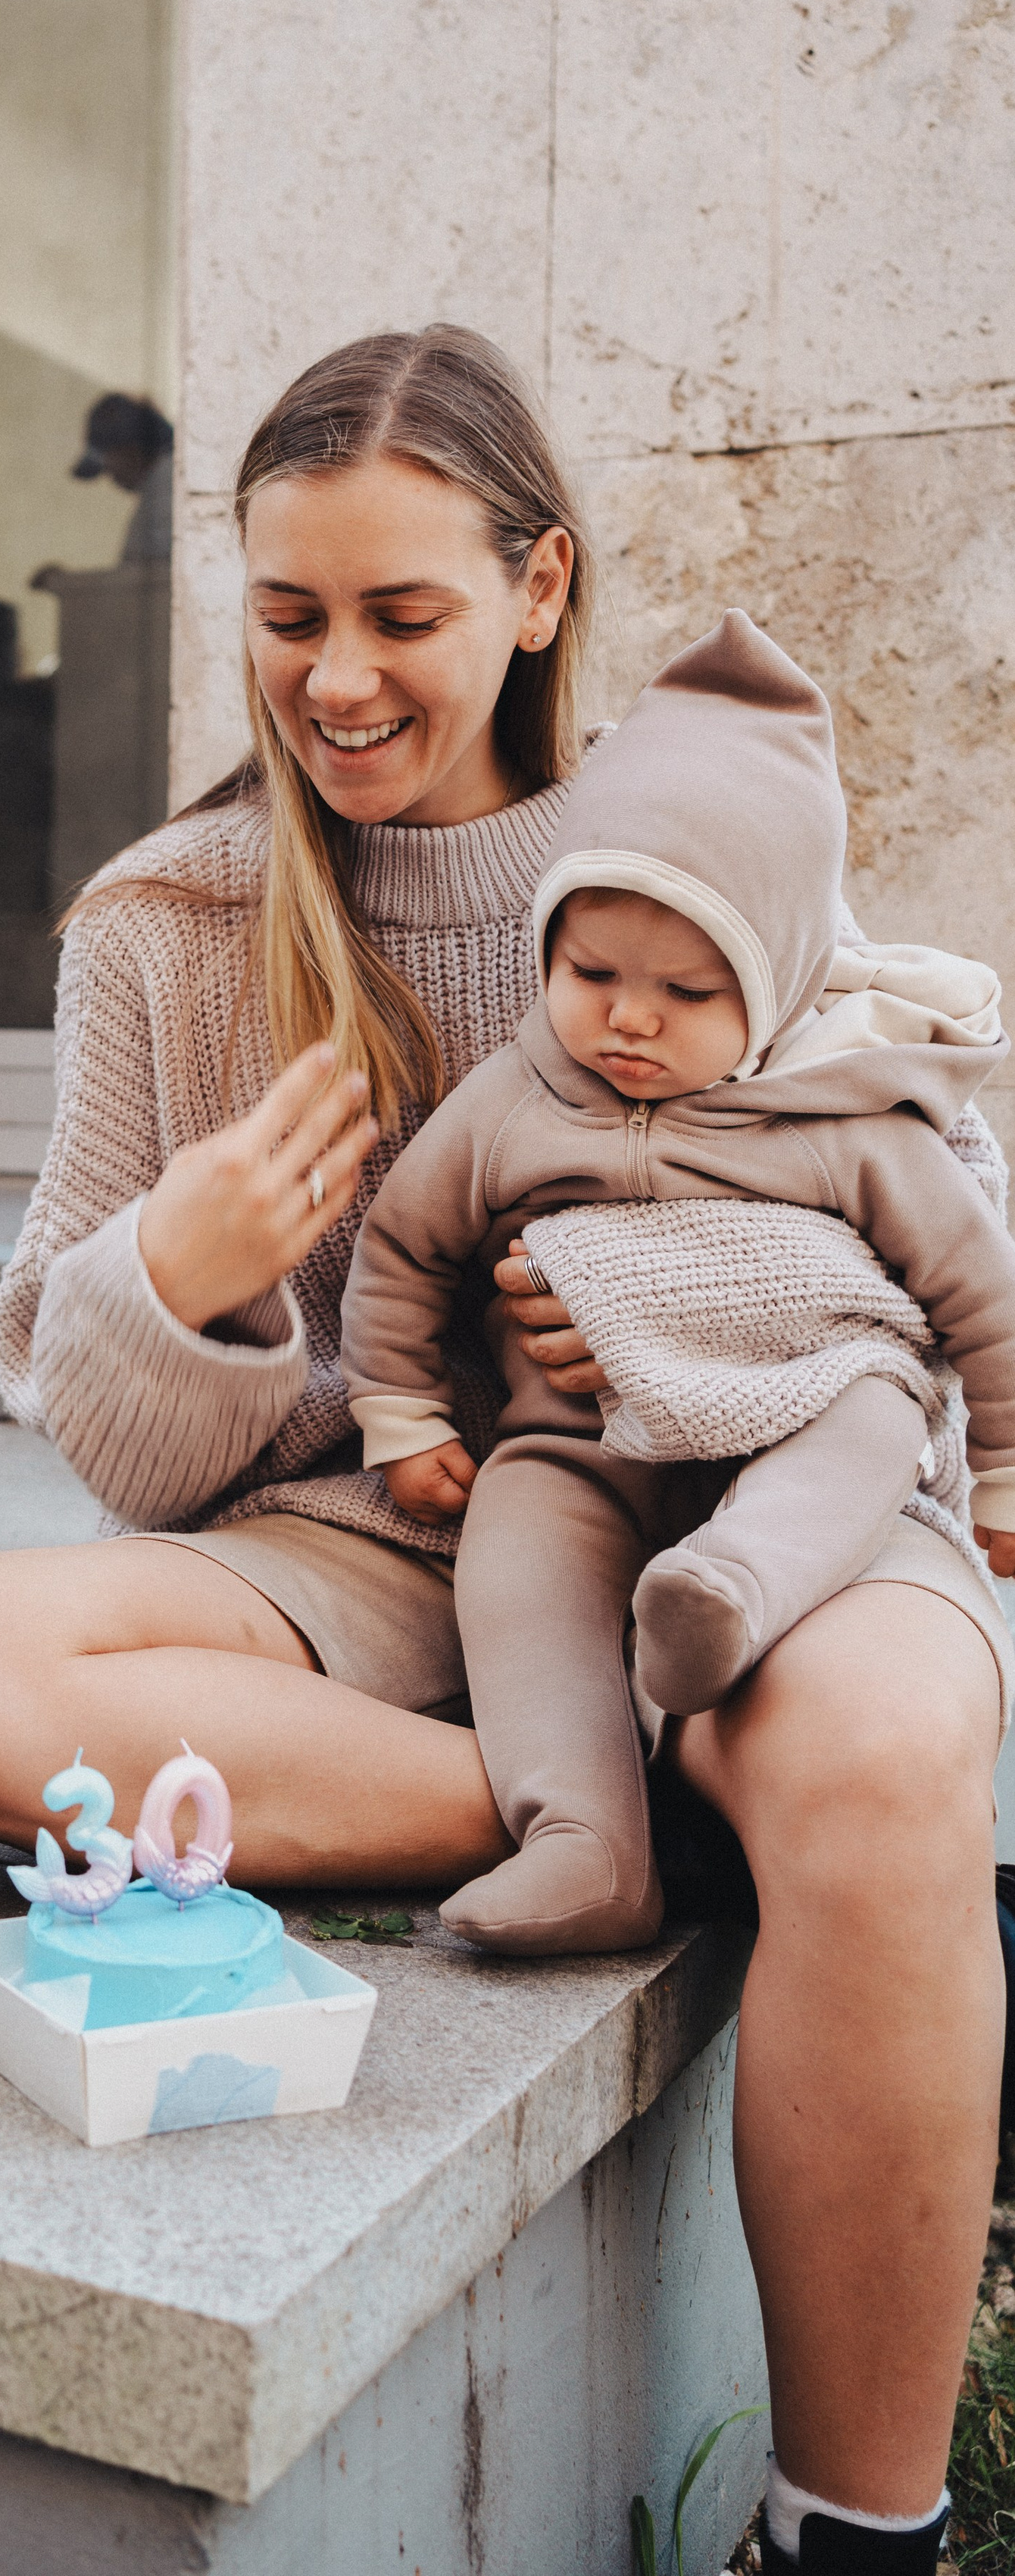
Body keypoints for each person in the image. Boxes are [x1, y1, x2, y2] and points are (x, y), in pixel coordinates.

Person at [0, 329, 1007, 2574]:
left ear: (538, 587)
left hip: (731, 1510)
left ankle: (846, 2529)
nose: (340, 679)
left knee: (873, 1752)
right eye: (289, 618)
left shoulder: (701, 849)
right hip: (371, 1538)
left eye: (403, 613)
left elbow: (921, 1194)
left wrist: (712, 1318)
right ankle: (629, 1809)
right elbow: (94, 1428)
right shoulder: (165, 926)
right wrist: (171, 1279)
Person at [341, 611, 1015, 1957]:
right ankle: (585, 1841)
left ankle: (734, 1595)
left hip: (802, 1403)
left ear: (774, 987)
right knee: (518, 1559)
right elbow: (402, 1250)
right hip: (582, 1441)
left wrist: (1001, 1474)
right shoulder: (515, 1096)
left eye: (690, 991)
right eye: (591, 974)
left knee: (865, 1425)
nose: (629, 1021)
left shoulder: (848, 1118)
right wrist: (403, 1415)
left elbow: (979, 1301)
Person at [70, 389, 173, 565]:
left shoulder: (166, 486)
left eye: (108, 467)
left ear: (129, 451)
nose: (111, 478)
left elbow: (147, 577)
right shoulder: (161, 483)